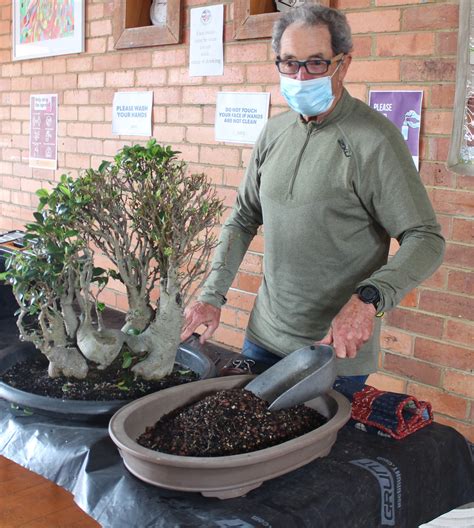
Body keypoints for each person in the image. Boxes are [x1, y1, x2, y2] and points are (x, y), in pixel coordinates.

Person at [180, 5, 445, 381]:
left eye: (316, 63)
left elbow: (426, 238)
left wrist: (369, 300)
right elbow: (242, 219)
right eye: (289, 63)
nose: (301, 76)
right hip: (262, 337)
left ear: (344, 63)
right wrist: (211, 295)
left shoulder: (376, 140)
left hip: (331, 352)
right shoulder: (274, 132)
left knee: (319, 443)